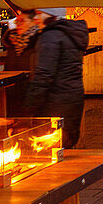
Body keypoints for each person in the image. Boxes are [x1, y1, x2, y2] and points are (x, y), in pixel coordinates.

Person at [24, 8, 89, 149]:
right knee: (65, 147)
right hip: (72, 99)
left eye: (40, 13)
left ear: (50, 15)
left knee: (49, 150)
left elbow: (44, 74)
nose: (36, 17)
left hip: (53, 103)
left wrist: (30, 105)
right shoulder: (69, 34)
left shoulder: (50, 37)